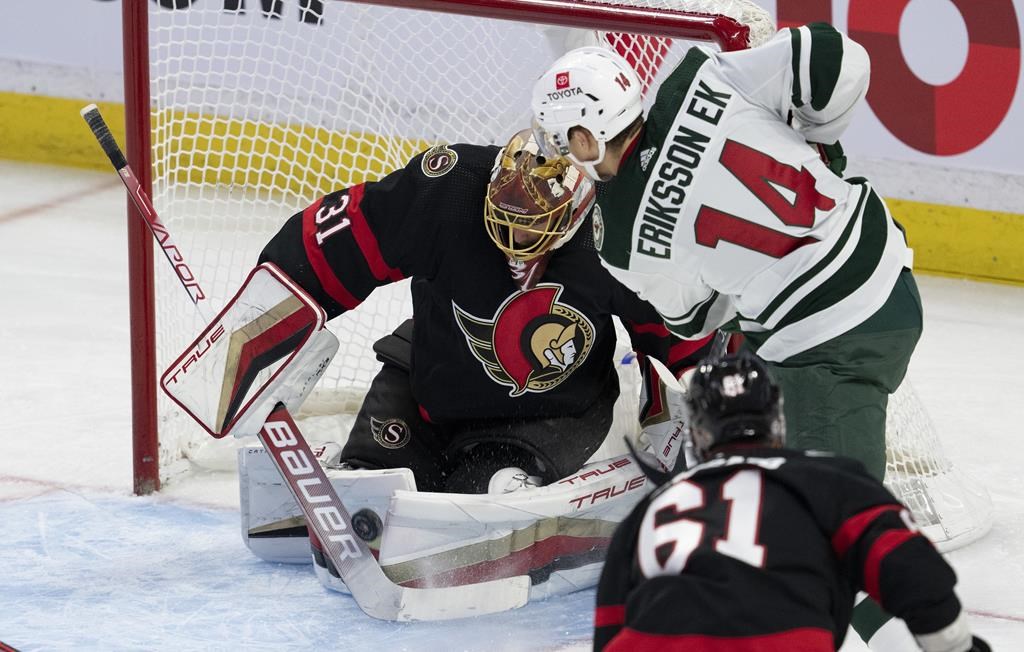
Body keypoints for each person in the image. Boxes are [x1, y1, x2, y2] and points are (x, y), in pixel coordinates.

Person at [529, 24, 922, 486]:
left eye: (559, 143)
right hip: (883, 257)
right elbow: (834, 58)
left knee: (832, 510)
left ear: (583, 139)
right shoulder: (702, 77)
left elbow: (697, 319)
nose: (561, 157)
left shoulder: (617, 240)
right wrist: (818, 146)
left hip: (828, 340)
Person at [257, 129, 714, 495]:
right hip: (427, 391)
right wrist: (268, 319)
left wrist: (693, 403)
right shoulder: (451, 193)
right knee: (367, 488)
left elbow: (672, 325)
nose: (515, 238)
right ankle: (369, 471)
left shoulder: (612, 231)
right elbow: (350, 236)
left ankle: (502, 492)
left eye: (533, 224)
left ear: (573, 211)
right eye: (507, 217)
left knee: (483, 491)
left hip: (542, 417)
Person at [594, 351, 990, 652]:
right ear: (778, 420)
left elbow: (609, 629)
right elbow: (914, 571)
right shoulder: (831, 479)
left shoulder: (653, 507)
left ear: (697, 433)